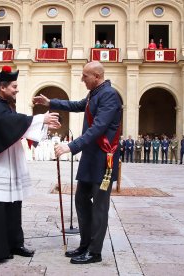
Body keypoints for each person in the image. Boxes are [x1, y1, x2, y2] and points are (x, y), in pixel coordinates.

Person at [33, 61, 122, 264]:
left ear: (97, 77)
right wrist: (51, 103)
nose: (82, 79)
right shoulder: (95, 93)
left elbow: (98, 127)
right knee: (81, 199)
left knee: (99, 206)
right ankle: (84, 244)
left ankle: (95, 252)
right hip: (91, 158)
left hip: (103, 160)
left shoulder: (109, 95)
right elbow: (77, 105)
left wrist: (70, 146)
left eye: (85, 76)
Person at [0, 65, 60, 262]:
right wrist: (40, 118)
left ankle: (15, 243)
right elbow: (8, 124)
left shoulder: (4, 104)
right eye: (14, 86)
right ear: (2, 87)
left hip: (9, 163)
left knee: (13, 204)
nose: (17, 89)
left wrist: (43, 123)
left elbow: (15, 123)